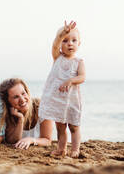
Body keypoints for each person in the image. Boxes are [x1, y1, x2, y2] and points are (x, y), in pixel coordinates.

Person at [38, 20, 86, 158]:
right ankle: (61, 148)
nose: (69, 43)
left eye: (73, 40)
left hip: (72, 100)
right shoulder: (57, 57)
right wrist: (61, 34)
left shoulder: (79, 62)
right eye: (65, 41)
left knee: (74, 126)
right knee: (60, 127)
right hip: (57, 100)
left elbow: (82, 77)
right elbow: (55, 43)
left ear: (79, 44)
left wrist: (71, 80)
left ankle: (75, 149)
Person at [0, 78, 53, 149]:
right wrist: (20, 119)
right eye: (16, 97)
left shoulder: (42, 107)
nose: (22, 99)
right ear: (8, 102)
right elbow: (12, 141)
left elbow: (47, 140)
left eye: (23, 93)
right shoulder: (8, 114)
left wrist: (31, 140)